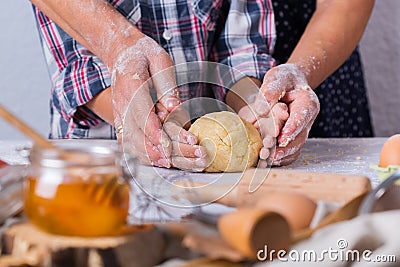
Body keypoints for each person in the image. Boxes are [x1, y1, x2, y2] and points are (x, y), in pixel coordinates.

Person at [31, 0, 374, 170]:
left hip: (217, 178)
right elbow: (77, 67)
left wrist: (255, 101)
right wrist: (145, 124)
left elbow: (240, 42)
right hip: (100, 159)